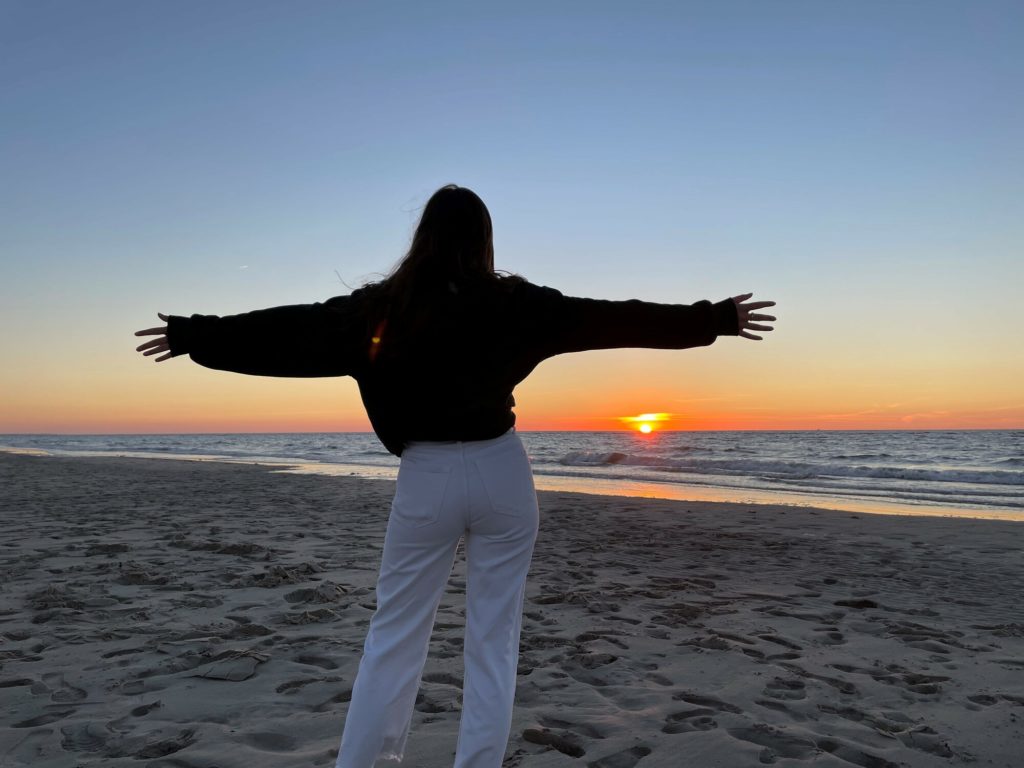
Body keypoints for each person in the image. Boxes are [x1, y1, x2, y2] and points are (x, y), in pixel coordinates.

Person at [134, 184, 776, 768]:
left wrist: (197, 336)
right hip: (503, 473)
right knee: (492, 639)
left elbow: (289, 333)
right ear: (484, 241)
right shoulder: (517, 305)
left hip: (427, 477)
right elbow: (607, 318)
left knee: (395, 635)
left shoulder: (379, 312)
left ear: (423, 239)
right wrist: (708, 320)